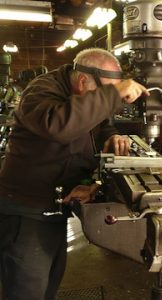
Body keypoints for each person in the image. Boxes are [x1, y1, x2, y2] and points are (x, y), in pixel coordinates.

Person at [0, 48, 149, 300]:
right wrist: (113, 94)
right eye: (105, 92)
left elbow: (102, 122)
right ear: (83, 81)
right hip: (26, 211)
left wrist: (111, 136)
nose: (108, 100)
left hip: (54, 206)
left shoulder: (83, 91)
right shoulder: (41, 91)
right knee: (27, 289)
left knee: (49, 282)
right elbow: (58, 124)